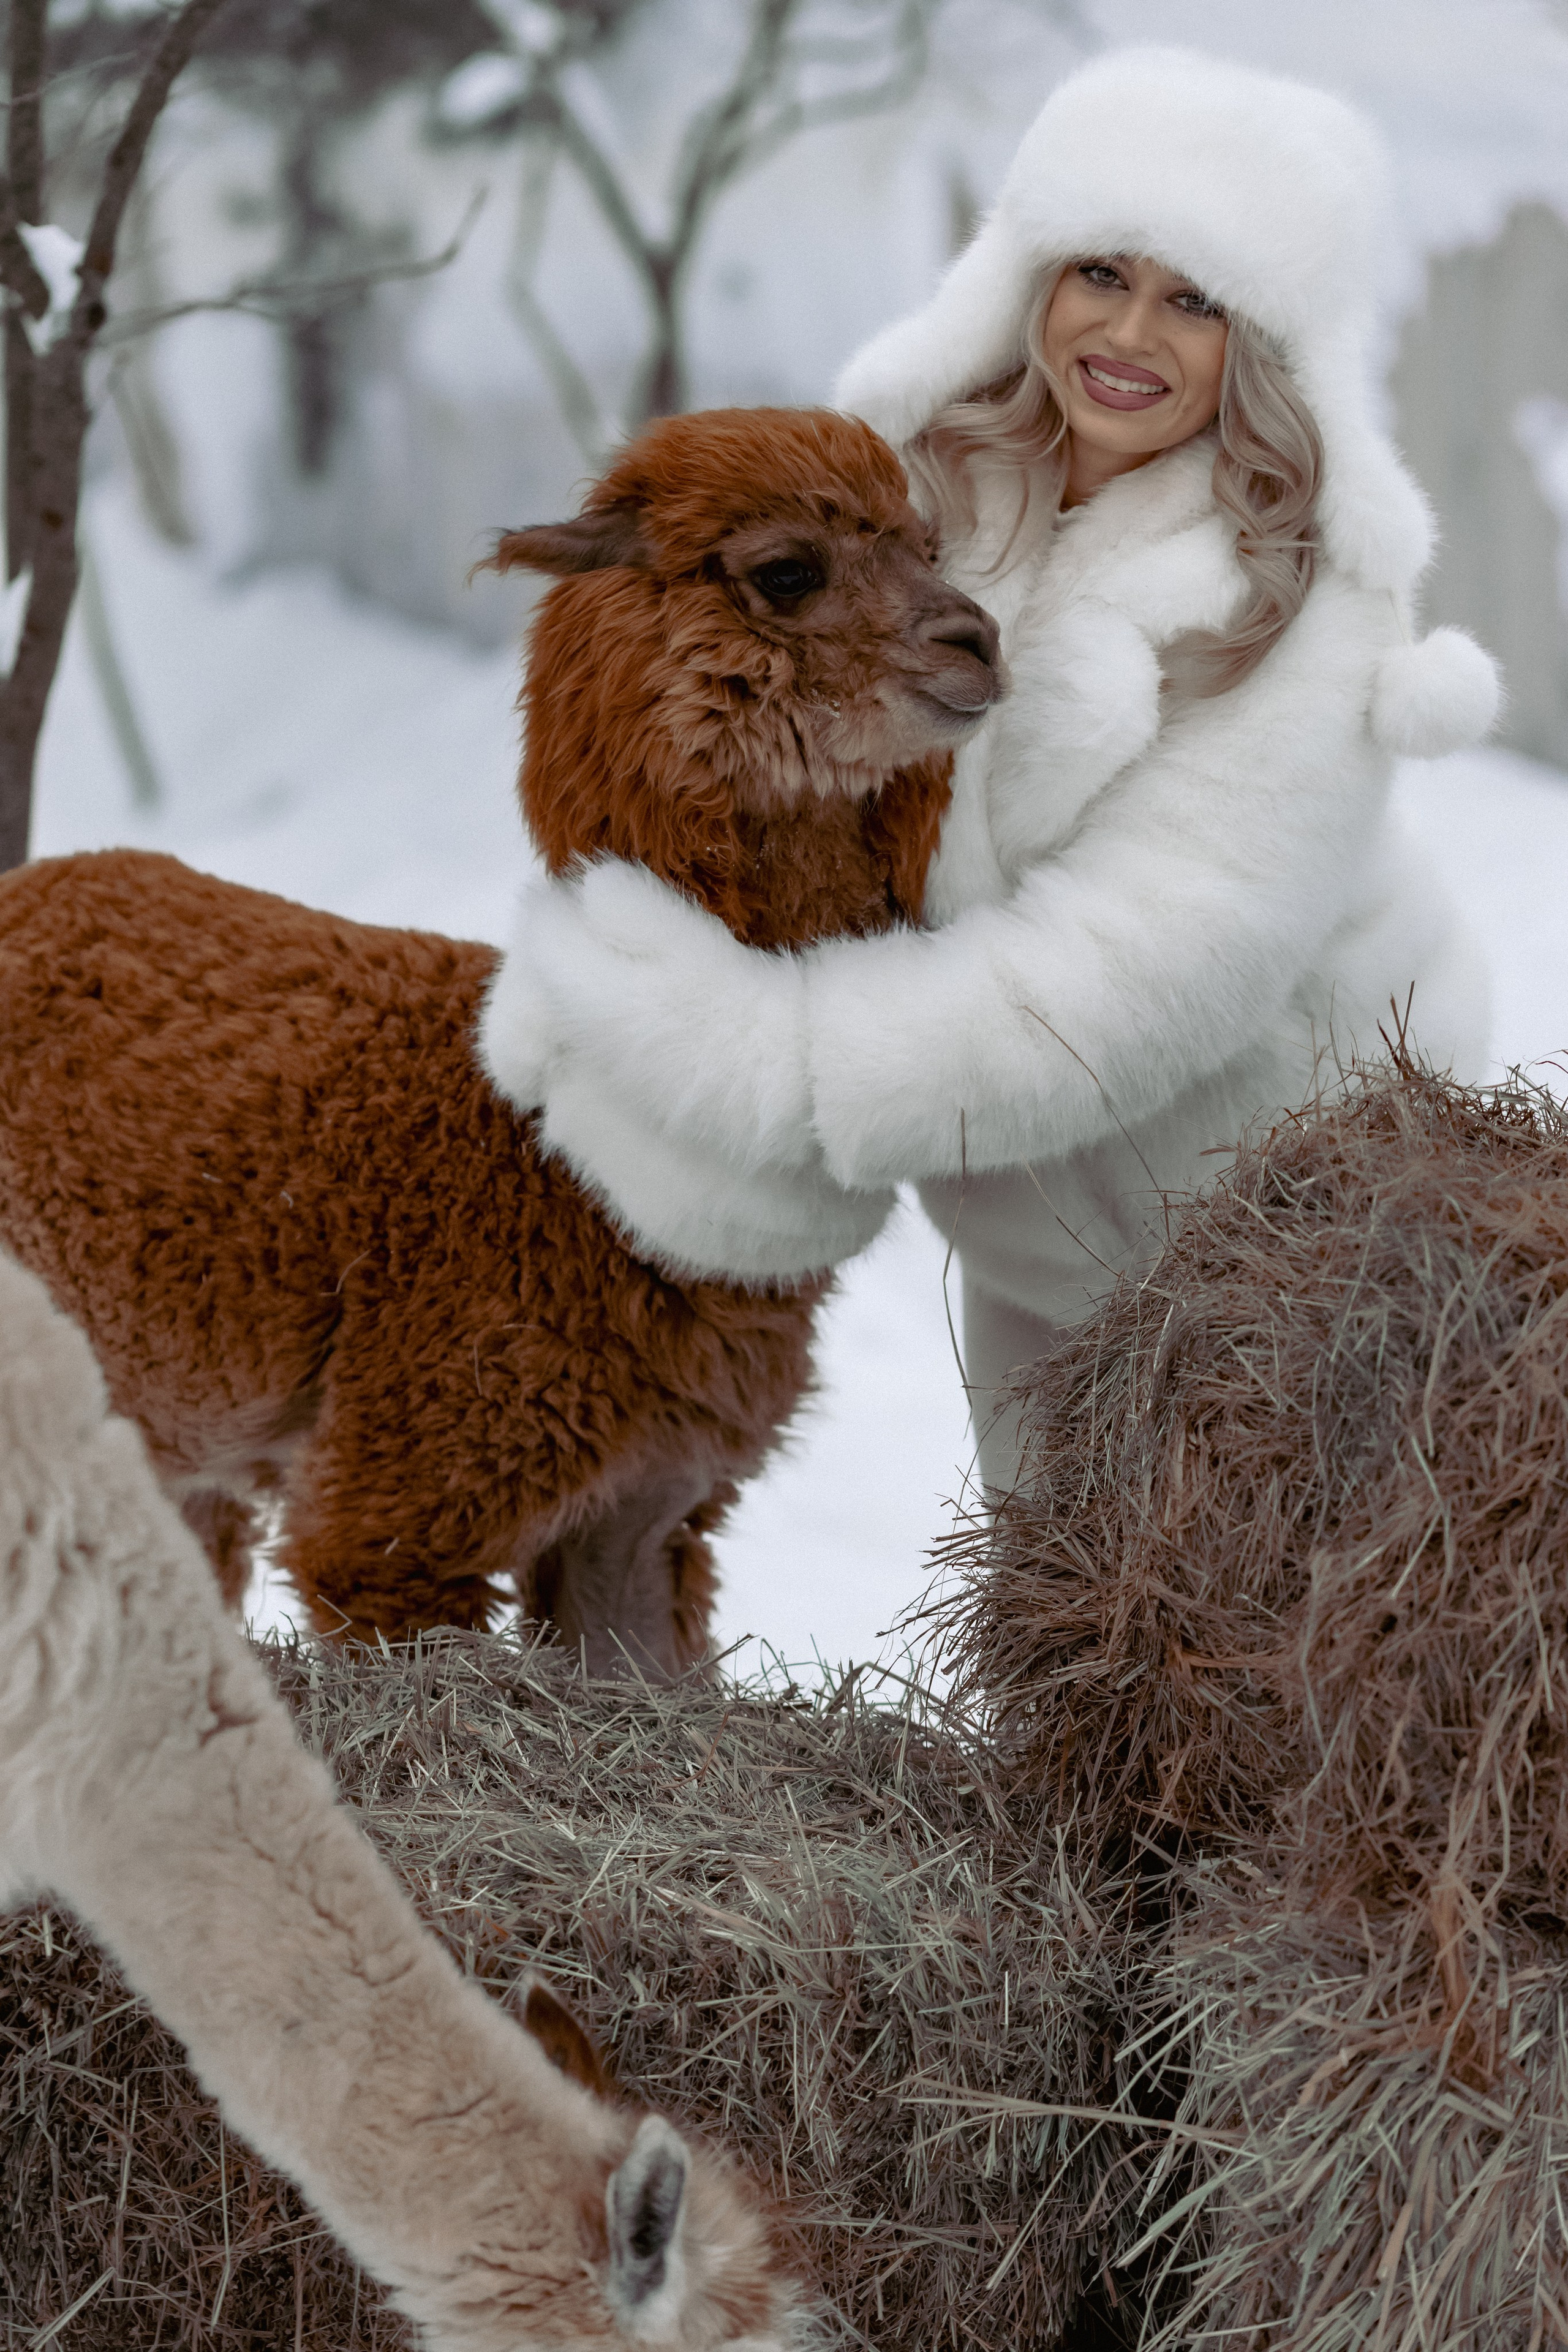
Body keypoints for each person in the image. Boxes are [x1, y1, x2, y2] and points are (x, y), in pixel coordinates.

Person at [481, 47, 1501, 1498]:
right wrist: (600, 989)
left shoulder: (1302, 606)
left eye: (1194, 298)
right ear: (1027, 272)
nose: (1128, 330)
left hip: (1276, 1203)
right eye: (1100, 270)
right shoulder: (918, 493)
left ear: (1264, 342)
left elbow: (1140, 976)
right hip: (1021, 1191)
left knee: (1261, 1644)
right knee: (1056, 1611)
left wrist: (767, 1065)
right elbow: (746, 761)